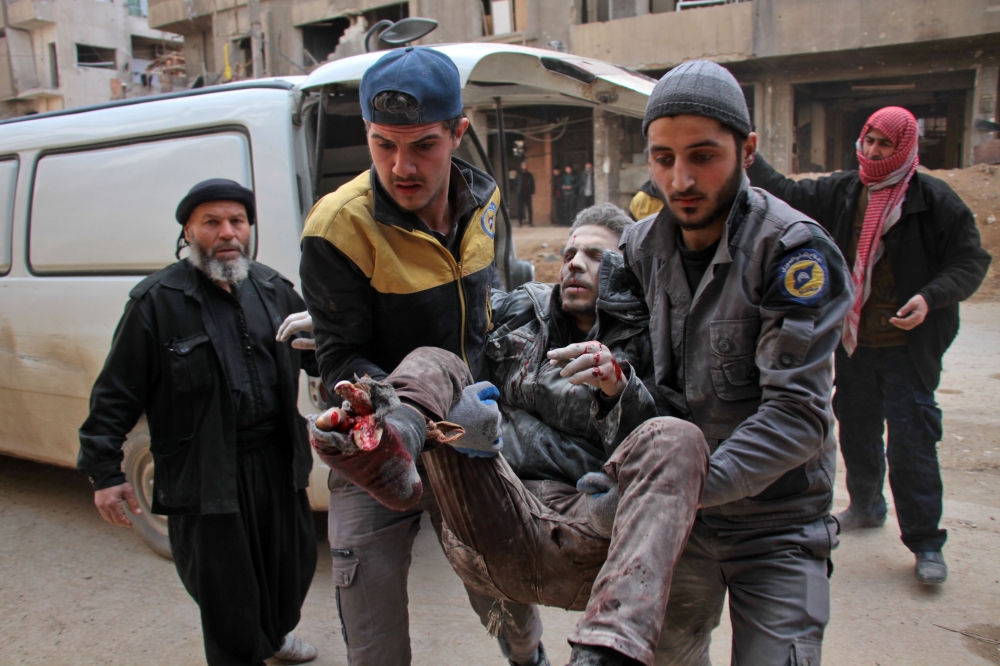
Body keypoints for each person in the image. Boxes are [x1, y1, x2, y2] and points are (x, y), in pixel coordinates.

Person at [285, 203, 709, 666]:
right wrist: (338, 330)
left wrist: (617, 389)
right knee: (439, 358)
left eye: (594, 254)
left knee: (677, 437)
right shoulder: (522, 308)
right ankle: (392, 444)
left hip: (592, 525)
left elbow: (662, 451)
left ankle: (609, 651)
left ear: (624, 270)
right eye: (570, 252)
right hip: (499, 508)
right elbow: (445, 323)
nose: (574, 263)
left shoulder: (653, 336)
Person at [295, 47, 544, 666]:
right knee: (370, 610)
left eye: (423, 146)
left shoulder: (483, 202)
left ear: (458, 132)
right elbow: (340, 358)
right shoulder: (336, 227)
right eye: (384, 145)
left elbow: (484, 318)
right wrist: (398, 415)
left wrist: (494, 395)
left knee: (507, 589)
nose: (401, 167)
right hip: (379, 437)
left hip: (471, 436)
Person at [602, 59, 853, 664]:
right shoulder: (636, 253)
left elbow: (796, 416)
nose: (681, 179)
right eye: (663, 158)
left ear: (748, 149)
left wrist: (676, 489)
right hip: (678, 532)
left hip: (778, 524)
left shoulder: (794, 252)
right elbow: (631, 391)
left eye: (703, 156)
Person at [77, 179, 319, 666]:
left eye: (237, 221)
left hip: (276, 460)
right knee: (226, 591)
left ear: (249, 228)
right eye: (212, 222)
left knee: (289, 569)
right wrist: (104, 473)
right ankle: (242, 651)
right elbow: (116, 392)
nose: (227, 232)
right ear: (188, 231)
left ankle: (270, 635)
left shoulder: (275, 290)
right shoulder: (156, 302)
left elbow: (322, 360)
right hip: (205, 471)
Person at [747, 106, 992, 585]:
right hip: (853, 341)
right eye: (869, 141)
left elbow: (969, 262)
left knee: (911, 441)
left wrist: (929, 297)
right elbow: (790, 193)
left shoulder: (933, 200)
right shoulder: (845, 191)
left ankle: (925, 542)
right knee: (856, 426)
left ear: (904, 148)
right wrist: (749, 155)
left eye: (885, 144)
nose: (874, 152)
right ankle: (865, 505)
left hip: (908, 347)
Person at [516, 161, 536, 227]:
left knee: (529, 208)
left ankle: (531, 222)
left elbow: (533, 184)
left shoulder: (530, 175)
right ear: (521, 166)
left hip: (528, 193)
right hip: (520, 194)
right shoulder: (518, 175)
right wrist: (517, 190)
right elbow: (515, 184)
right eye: (523, 165)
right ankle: (520, 223)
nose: (524, 167)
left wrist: (532, 192)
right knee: (520, 208)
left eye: (525, 165)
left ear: (527, 167)